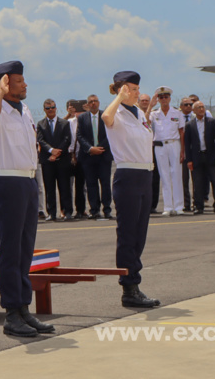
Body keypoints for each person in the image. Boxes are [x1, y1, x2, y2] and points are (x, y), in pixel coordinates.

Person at [0, 61, 55, 337]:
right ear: (6, 83)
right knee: (10, 249)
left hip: (27, 180)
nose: (25, 84)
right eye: (20, 80)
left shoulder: (23, 110)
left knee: (25, 249)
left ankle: (24, 308)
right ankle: (12, 313)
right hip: (8, 181)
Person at [101, 71, 160, 308]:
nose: (137, 93)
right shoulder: (116, 112)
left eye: (137, 89)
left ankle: (134, 282)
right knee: (128, 233)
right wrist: (118, 96)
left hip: (145, 175)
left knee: (140, 233)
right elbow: (106, 117)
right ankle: (129, 287)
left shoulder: (137, 114)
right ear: (121, 90)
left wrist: (146, 109)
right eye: (132, 89)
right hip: (128, 176)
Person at [146, 86, 185, 216]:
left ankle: (179, 206)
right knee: (164, 175)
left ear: (170, 98)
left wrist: (182, 150)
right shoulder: (154, 113)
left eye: (166, 97)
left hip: (174, 144)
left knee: (176, 175)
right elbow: (145, 123)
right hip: (160, 146)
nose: (163, 99)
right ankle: (168, 206)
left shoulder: (177, 113)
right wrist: (150, 106)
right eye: (161, 97)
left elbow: (181, 132)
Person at [76, 94, 113, 220]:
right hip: (88, 157)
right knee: (91, 184)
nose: (93, 103)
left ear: (99, 102)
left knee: (106, 184)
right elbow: (79, 136)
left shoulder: (105, 116)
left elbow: (110, 134)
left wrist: (100, 148)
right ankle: (94, 210)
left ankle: (107, 209)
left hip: (104, 156)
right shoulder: (82, 117)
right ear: (88, 104)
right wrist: (91, 148)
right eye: (90, 102)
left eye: (95, 101)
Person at [184, 101, 215, 214]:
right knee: (198, 183)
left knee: (214, 181)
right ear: (194, 110)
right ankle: (199, 206)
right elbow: (188, 144)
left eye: (203, 107)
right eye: (199, 107)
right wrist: (189, 160)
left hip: (210, 156)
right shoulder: (190, 125)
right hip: (197, 157)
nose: (201, 109)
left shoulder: (212, 122)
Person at [37, 99, 72, 221]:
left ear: (56, 108)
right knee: (49, 188)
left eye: (52, 107)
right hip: (48, 161)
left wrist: (57, 153)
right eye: (48, 108)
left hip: (62, 160)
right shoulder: (40, 124)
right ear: (44, 110)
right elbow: (40, 140)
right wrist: (51, 151)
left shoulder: (64, 123)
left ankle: (67, 211)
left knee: (65, 187)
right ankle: (51, 213)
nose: (50, 110)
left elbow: (67, 139)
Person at [138, 93, 160, 214]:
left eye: (147, 100)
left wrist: (151, 108)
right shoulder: (137, 113)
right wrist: (150, 107)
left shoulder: (155, 113)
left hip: (153, 148)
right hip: (141, 149)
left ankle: (153, 205)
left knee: (155, 178)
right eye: (143, 101)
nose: (145, 103)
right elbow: (144, 123)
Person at [178, 97, 196, 212]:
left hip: (194, 152)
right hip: (182, 151)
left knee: (196, 179)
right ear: (181, 107)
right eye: (186, 105)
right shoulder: (177, 118)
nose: (188, 106)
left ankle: (197, 202)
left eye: (190, 104)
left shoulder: (196, 117)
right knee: (184, 179)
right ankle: (186, 203)